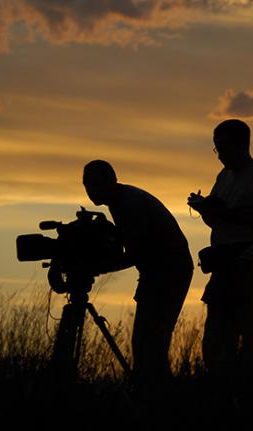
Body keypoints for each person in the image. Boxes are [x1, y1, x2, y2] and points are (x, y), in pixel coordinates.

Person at [82, 159, 193, 393]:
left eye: (96, 184)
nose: (91, 190)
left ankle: (156, 394)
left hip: (168, 272)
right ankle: (151, 391)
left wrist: (96, 267)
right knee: (145, 342)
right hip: (156, 272)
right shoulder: (119, 201)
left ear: (111, 181)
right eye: (87, 185)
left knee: (151, 342)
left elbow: (136, 253)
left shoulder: (128, 203)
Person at [187, 119, 253, 387]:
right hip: (223, 264)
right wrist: (206, 209)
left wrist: (225, 212)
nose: (221, 156)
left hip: (249, 262)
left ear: (242, 145)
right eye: (217, 150)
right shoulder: (224, 176)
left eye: (224, 149)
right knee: (216, 333)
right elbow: (216, 221)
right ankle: (220, 383)